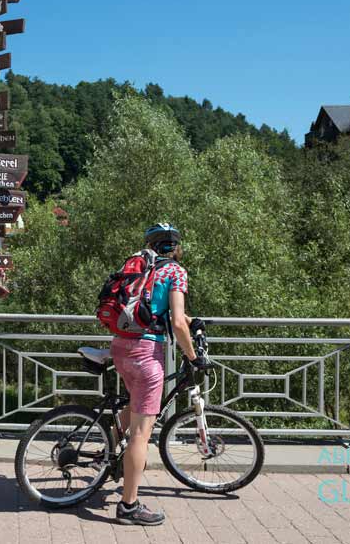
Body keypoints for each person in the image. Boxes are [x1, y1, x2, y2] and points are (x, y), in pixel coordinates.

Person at [110, 223, 211, 526]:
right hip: (146, 355)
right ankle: (129, 506)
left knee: (134, 404)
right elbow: (176, 322)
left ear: (150, 244)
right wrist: (194, 358)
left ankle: (109, 444)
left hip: (121, 346)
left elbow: (156, 310)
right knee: (142, 434)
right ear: (176, 246)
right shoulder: (175, 271)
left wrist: (192, 322)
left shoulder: (139, 266)